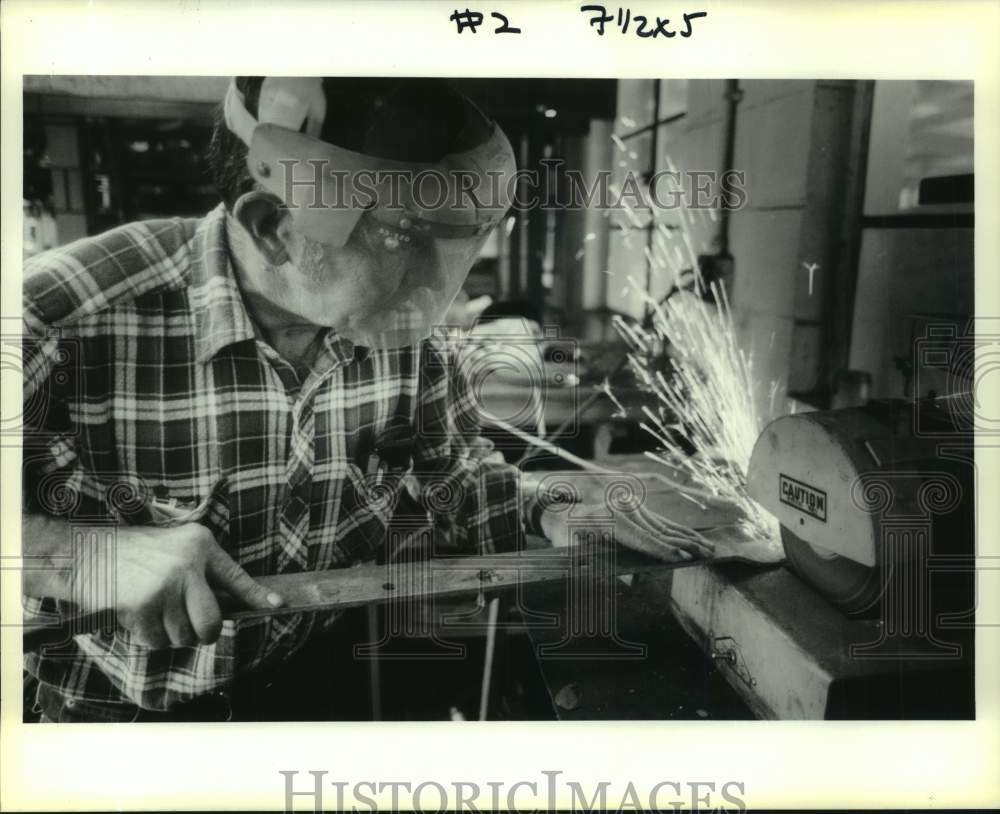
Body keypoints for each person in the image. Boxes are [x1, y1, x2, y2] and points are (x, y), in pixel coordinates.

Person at [21, 77, 710, 722]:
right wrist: (82, 558)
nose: (435, 292)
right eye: (409, 243)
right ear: (273, 226)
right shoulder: (54, 318)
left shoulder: (405, 331)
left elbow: (450, 473)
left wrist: (556, 506)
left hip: (308, 678)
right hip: (112, 719)